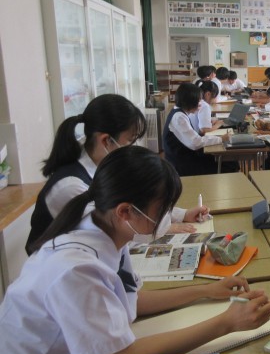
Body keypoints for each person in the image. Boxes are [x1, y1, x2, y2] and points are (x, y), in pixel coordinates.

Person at [0, 146, 270, 354]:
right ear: (125, 212)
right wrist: (227, 323)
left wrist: (205, 290)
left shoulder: (105, 228)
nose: (167, 218)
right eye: (163, 210)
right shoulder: (76, 269)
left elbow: (131, 299)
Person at [26, 95, 204, 255]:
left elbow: (139, 203)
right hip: (67, 267)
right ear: (106, 141)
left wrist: (182, 215)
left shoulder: (106, 165)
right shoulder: (70, 186)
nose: (133, 148)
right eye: (130, 141)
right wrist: (164, 227)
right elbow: (113, 230)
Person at [163, 83, 231, 176]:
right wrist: (221, 139)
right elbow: (196, 143)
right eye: (199, 100)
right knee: (228, 165)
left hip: (185, 157)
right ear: (190, 101)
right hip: (182, 163)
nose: (200, 104)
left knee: (228, 161)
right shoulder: (179, 117)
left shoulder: (179, 113)